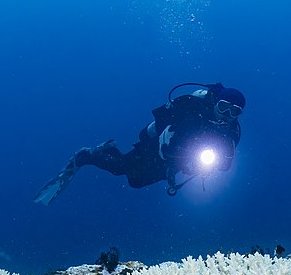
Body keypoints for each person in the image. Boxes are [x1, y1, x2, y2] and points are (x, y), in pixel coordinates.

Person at [34, 83, 245, 205]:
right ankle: (86, 156)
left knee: (136, 182)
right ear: (215, 102)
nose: (226, 114)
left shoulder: (232, 132)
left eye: (234, 111)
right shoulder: (191, 110)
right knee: (122, 169)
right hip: (155, 148)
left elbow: (225, 164)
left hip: (175, 164)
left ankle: (110, 149)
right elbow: (161, 123)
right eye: (224, 107)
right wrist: (169, 138)